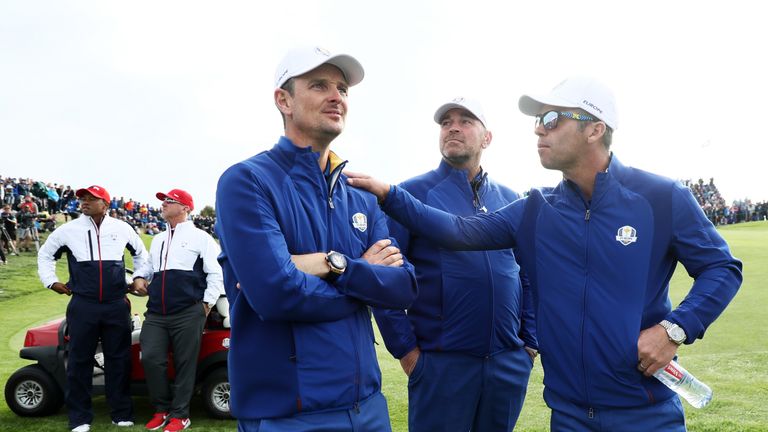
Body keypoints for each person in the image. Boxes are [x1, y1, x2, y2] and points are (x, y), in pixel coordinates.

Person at [347, 76, 743, 431]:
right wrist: (388, 193)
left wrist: (674, 330)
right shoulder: (535, 209)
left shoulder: (661, 197)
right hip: (569, 414)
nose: (539, 129)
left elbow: (722, 268)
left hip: (645, 412)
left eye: (552, 119)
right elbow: (458, 230)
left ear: (595, 129)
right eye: (537, 120)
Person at [215, 45, 418, 432]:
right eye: (319, 85)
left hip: (369, 408)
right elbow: (275, 295)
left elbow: (404, 287)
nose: (336, 96)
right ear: (284, 100)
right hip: (288, 414)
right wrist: (359, 276)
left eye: (342, 88)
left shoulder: (359, 195)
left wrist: (325, 266)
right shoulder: (247, 181)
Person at [372, 97, 537, 431]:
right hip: (441, 367)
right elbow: (384, 280)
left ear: (486, 137)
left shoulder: (510, 199)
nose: (453, 128)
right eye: (446, 122)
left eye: (465, 121)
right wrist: (409, 355)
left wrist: (530, 345)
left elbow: (530, 276)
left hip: (507, 365)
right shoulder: (410, 195)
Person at [38, 185, 149, 432]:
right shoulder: (68, 230)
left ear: (105, 204)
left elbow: (142, 256)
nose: (84, 202)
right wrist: (51, 281)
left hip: (116, 304)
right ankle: (79, 418)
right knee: (79, 361)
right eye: (83, 199)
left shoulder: (122, 228)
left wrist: (139, 277)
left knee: (118, 359)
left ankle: (121, 413)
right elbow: (45, 256)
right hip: (82, 304)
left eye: (91, 198)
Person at [131, 189, 224, 432]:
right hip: (157, 312)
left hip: (188, 311)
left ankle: (180, 414)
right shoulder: (160, 239)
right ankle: (161, 409)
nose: (162, 205)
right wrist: (140, 277)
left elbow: (216, 272)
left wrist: (206, 304)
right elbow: (149, 268)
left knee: (185, 363)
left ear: (185, 207)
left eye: (169, 201)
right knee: (151, 358)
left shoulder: (201, 238)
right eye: (162, 201)